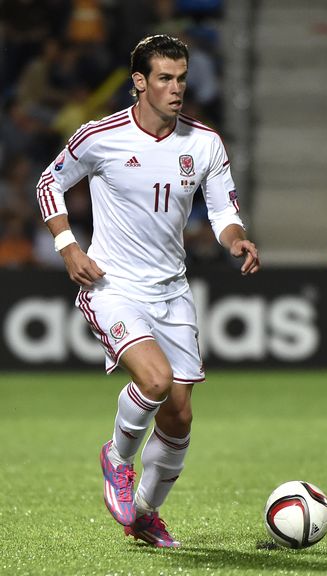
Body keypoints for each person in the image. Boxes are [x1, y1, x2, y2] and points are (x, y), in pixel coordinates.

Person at [34, 34, 260, 548]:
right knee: (154, 382)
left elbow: (223, 210)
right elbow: (49, 182)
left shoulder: (204, 142)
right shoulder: (100, 136)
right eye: (164, 78)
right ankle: (116, 458)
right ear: (139, 82)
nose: (176, 88)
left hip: (171, 290)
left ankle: (145, 516)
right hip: (112, 283)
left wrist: (236, 239)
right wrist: (69, 247)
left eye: (181, 78)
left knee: (179, 414)